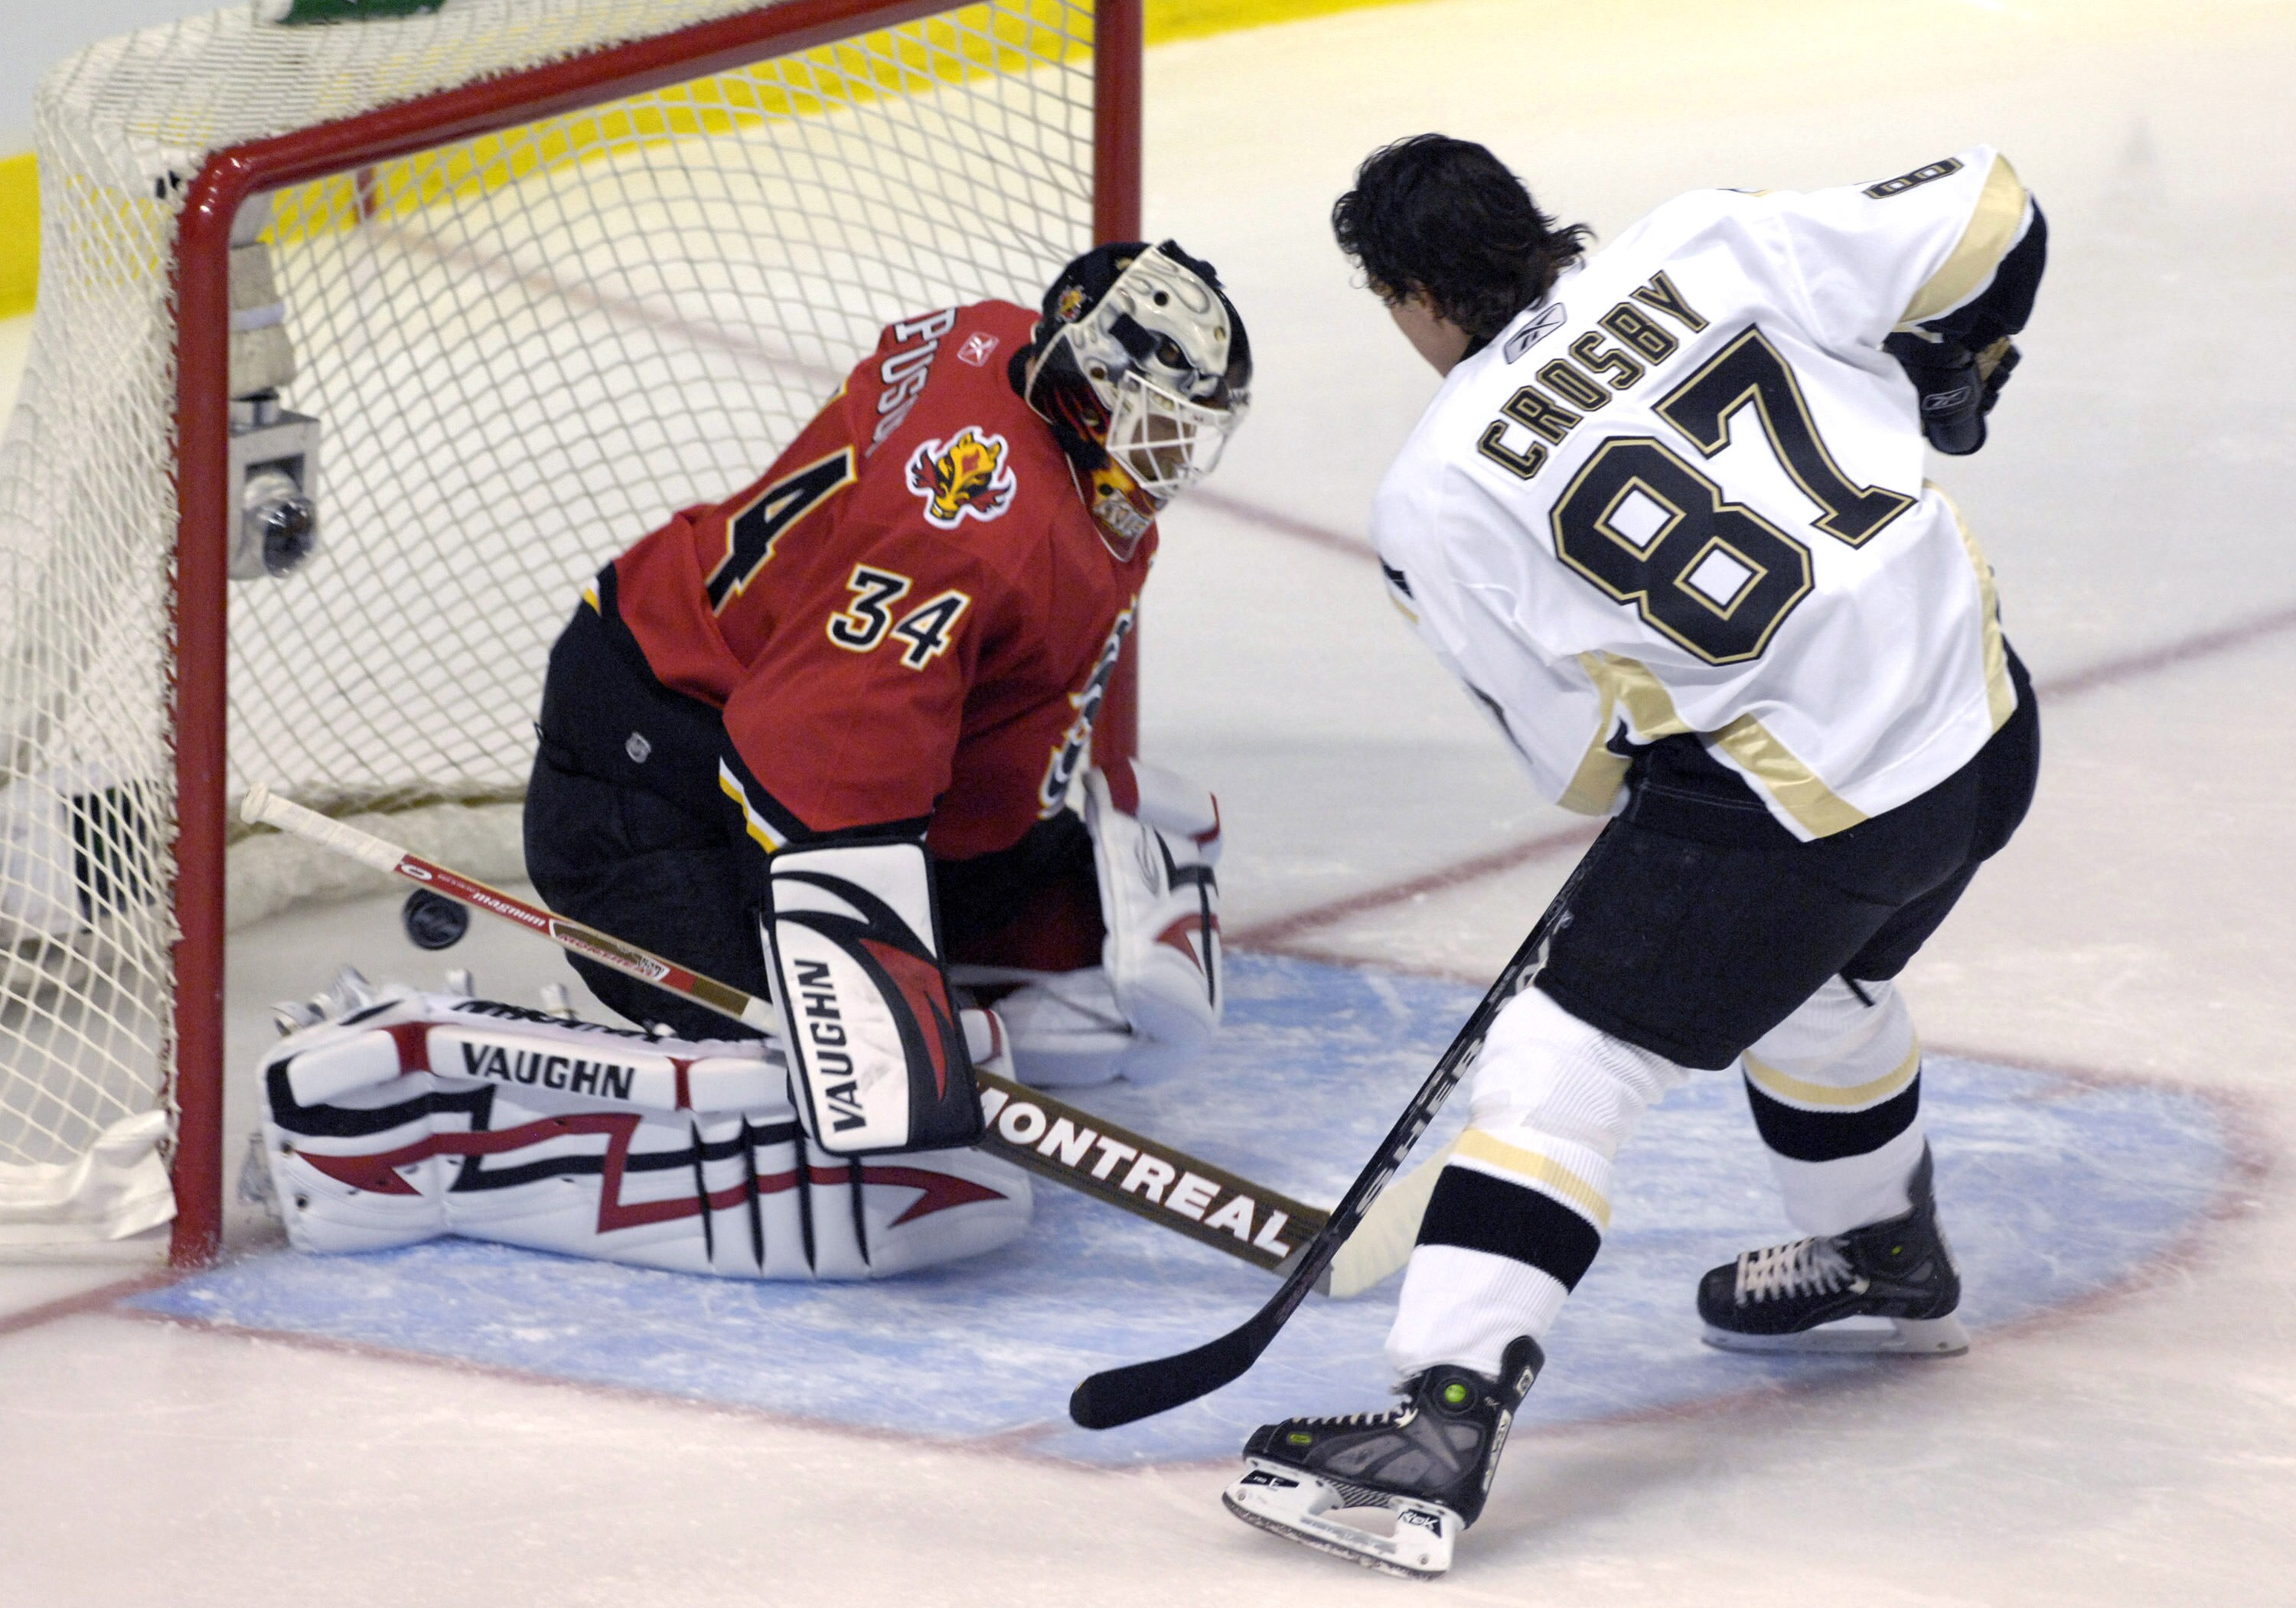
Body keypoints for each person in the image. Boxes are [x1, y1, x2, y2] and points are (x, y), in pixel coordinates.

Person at [1222, 138, 2043, 1578]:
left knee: (1563, 1064)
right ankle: (1881, 1251)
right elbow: (1996, 208)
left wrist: (1673, 735)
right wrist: (1956, 365)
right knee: (1815, 974)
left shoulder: (1434, 492)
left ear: (1411, 295)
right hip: (1983, 730)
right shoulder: (1707, 240)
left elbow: (1586, 767)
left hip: (1819, 811)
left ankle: (1439, 1423)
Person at [253, 243, 1251, 1283]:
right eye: (1153, 410)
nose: (1173, 448)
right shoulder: (977, 528)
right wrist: (877, 1017)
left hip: (733, 703)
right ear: (1082, 381)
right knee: (805, 1098)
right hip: (648, 783)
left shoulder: (1003, 349)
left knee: (1084, 965)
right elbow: (807, 757)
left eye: (1192, 423)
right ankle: (435, 1113)